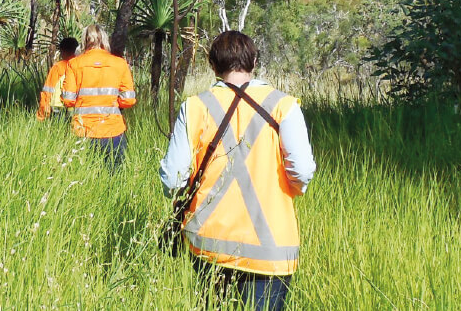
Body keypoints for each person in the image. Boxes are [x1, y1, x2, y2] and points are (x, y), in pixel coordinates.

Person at [158, 30, 315, 311]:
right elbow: (301, 171)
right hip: (272, 247)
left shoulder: (194, 107)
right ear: (254, 62)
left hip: (207, 244)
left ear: (213, 64)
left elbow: (173, 177)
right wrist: (292, 191)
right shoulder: (285, 106)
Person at [61, 24, 137, 169]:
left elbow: (68, 100)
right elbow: (128, 99)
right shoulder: (119, 64)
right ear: (104, 39)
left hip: (83, 131)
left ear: (84, 40)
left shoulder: (74, 64)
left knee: (84, 178)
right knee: (114, 176)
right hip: (113, 130)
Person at [36, 37, 80, 122]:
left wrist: (42, 115)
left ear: (62, 51)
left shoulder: (58, 67)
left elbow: (48, 92)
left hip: (60, 110)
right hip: (79, 110)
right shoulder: (81, 66)